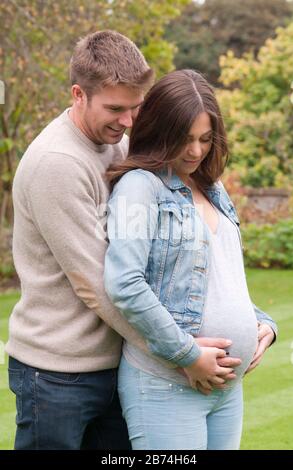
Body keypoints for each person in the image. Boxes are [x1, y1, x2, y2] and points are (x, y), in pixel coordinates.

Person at [104, 69, 278, 450]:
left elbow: (219, 280)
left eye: (204, 139)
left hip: (225, 389)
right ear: (159, 130)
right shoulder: (139, 189)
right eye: (184, 139)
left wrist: (261, 325)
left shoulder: (213, 188)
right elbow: (124, 283)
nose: (196, 151)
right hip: (166, 384)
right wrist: (188, 354)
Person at [5, 30, 156, 450]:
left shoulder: (115, 144)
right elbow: (95, 281)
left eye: (135, 107)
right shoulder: (58, 162)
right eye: (115, 109)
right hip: (56, 374)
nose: (127, 122)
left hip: (114, 364)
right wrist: (171, 350)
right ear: (78, 94)